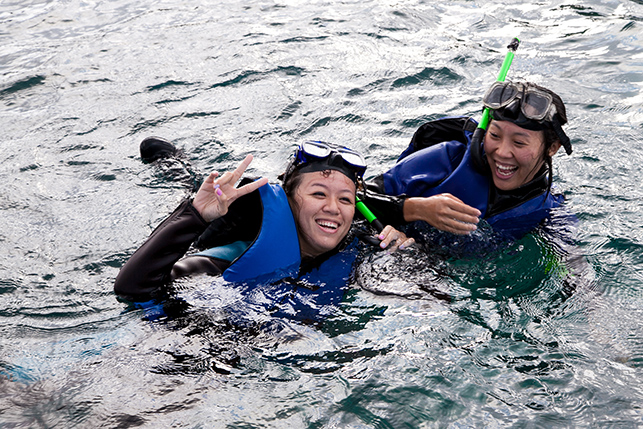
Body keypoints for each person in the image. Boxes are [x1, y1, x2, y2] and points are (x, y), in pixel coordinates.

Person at [114, 140, 413, 320]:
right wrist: (195, 215)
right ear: (289, 200)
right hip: (180, 357)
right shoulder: (231, 258)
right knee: (198, 196)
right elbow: (132, 290)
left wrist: (401, 254)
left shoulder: (362, 252)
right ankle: (178, 169)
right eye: (318, 194)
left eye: (345, 200)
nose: (333, 208)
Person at [363, 80, 573, 242]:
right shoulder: (448, 159)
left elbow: (573, 265)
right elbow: (352, 197)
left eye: (518, 143)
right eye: (495, 136)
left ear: (552, 148)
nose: (502, 152)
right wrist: (416, 208)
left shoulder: (546, 208)